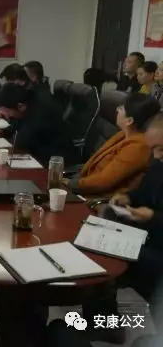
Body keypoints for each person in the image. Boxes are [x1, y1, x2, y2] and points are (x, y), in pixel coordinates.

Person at [83, 115, 163, 342]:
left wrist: (153, 217)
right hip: (148, 235)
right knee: (96, 240)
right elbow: (146, 193)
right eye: (154, 150)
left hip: (158, 245)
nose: (157, 156)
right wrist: (128, 197)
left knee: (108, 255)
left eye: (161, 150)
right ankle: (105, 322)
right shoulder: (158, 164)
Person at [65, 93, 161, 197]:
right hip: (84, 186)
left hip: (96, 198)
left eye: (121, 108)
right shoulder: (123, 134)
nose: (117, 109)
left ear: (129, 121)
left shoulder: (138, 147)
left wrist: (70, 184)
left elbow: (103, 181)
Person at [0, 83, 76, 165]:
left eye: (6, 114)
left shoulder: (40, 113)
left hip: (56, 161)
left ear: (21, 106)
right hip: (41, 155)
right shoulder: (30, 103)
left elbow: (21, 142)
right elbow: (19, 123)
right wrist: (4, 131)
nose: (7, 117)